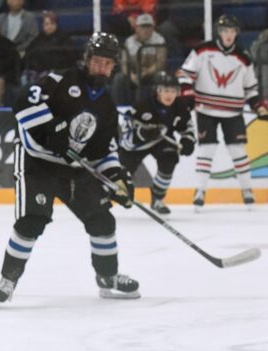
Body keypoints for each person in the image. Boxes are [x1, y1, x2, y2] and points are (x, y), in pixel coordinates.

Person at [0, 32, 140, 303]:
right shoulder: (59, 80)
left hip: (73, 168)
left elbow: (104, 151)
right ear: (86, 59)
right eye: (97, 61)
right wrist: (51, 130)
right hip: (37, 161)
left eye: (107, 63)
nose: (101, 67)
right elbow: (22, 103)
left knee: (102, 219)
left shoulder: (107, 107)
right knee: (32, 220)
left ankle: (108, 276)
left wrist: (117, 178)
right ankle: (8, 279)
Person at [179, 14, 268, 210]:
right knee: (206, 150)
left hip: (233, 112)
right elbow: (185, 73)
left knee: (238, 151)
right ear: (219, 32)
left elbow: (251, 88)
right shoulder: (202, 50)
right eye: (225, 31)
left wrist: (258, 106)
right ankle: (200, 190)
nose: (228, 35)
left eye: (232, 31)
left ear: (237, 33)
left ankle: (247, 191)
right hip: (206, 110)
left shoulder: (243, 57)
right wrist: (187, 93)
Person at [119, 71, 196, 215]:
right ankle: (103, 196)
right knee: (121, 174)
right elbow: (126, 133)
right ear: (158, 91)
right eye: (166, 90)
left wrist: (188, 141)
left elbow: (188, 129)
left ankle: (157, 198)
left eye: (173, 91)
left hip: (162, 141)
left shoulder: (180, 107)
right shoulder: (142, 106)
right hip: (135, 146)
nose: (169, 95)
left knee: (170, 159)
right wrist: (143, 134)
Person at [113, 13, 167, 105]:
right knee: (119, 78)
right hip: (133, 73)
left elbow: (160, 62)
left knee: (161, 76)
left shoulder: (159, 40)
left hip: (151, 73)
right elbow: (124, 63)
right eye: (143, 27)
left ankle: (158, 107)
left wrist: (146, 72)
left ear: (153, 28)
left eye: (149, 27)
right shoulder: (129, 42)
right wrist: (131, 75)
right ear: (136, 28)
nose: (146, 30)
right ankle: (120, 107)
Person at [22, 11, 78, 85]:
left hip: (57, 71)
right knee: (25, 77)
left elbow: (70, 58)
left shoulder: (64, 40)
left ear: (56, 24)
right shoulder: (37, 40)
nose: (49, 27)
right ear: (42, 26)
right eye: (46, 24)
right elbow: (30, 56)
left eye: (52, 24)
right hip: (38, 71)